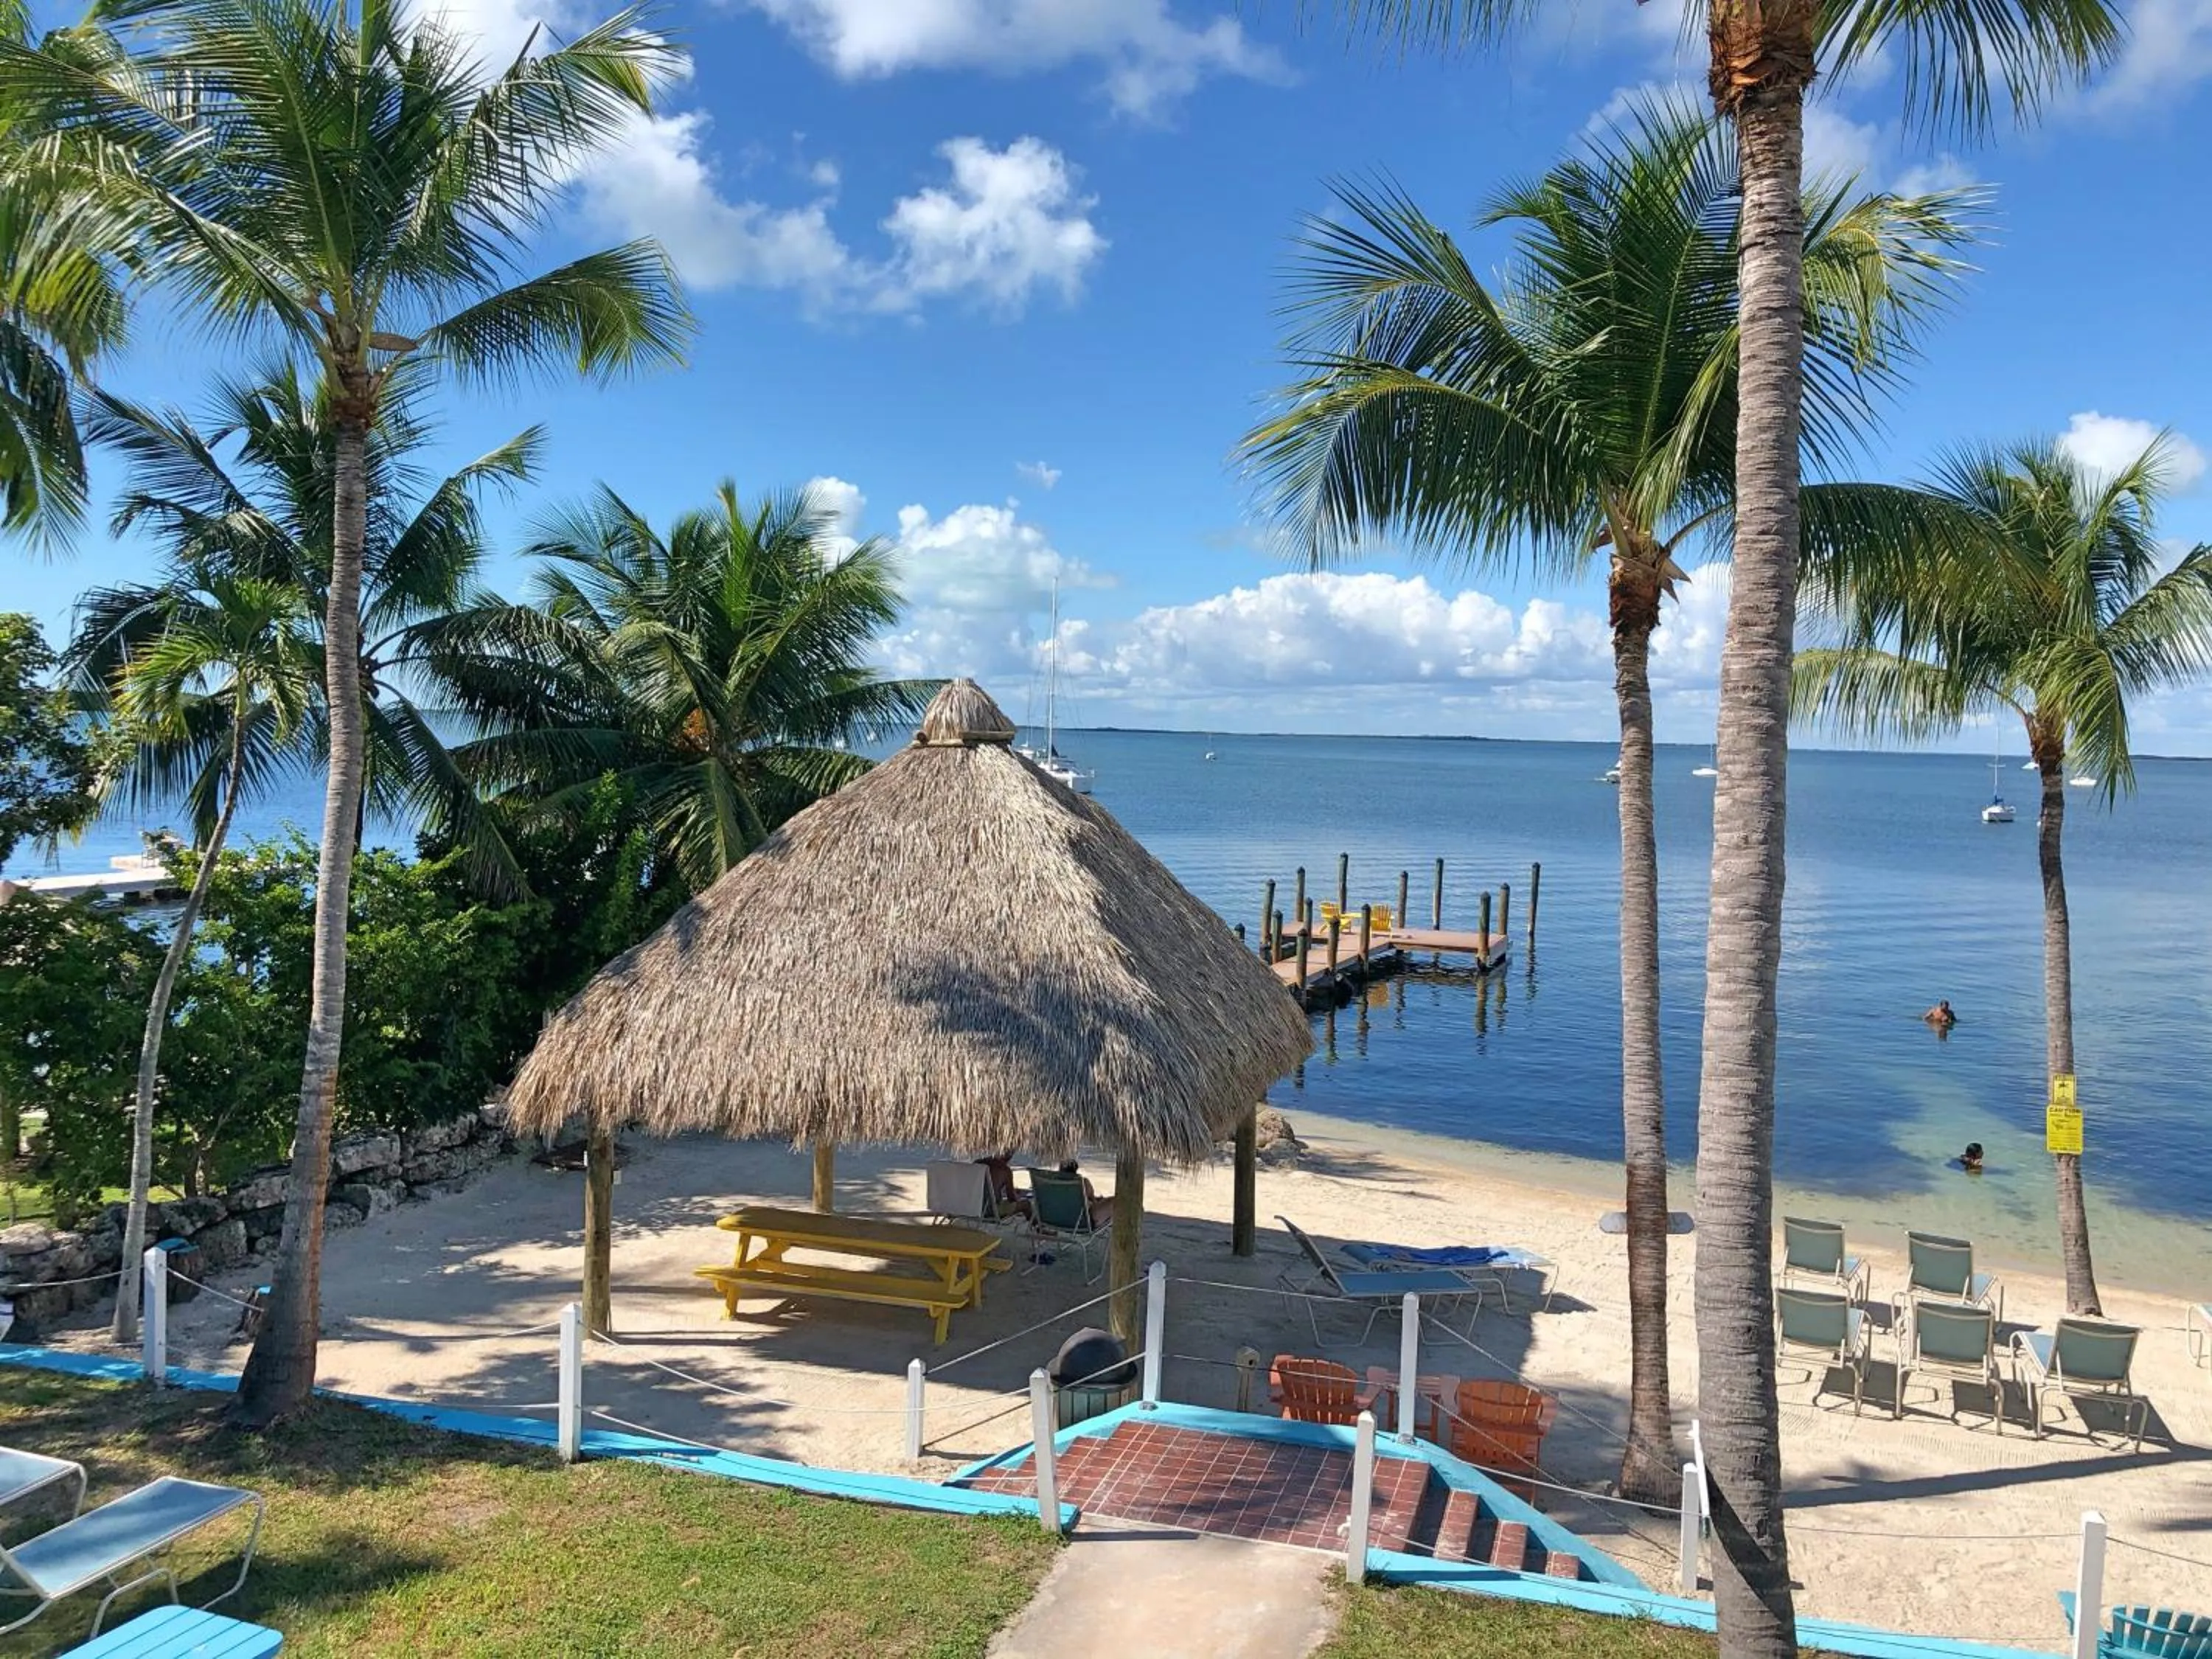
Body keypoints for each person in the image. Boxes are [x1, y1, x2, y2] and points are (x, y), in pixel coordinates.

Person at [974, 1152, 1032, 1221]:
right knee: (1026, 1204)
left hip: (973, 1208)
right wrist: (1017, 1196)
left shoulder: (977, 1163)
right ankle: (1037, 1228)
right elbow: (1012, 1198)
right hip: (991, 1211)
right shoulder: (1005, 1170)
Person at [1058, 1158, 1114, 1229]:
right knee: (1114, 1200)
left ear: (1059, 1169)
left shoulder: (1049, 1184)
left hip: (1056, 1221)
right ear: (1076, 1169)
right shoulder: (1083, 1183)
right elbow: (1093, 1201)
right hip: (1081, 1223)